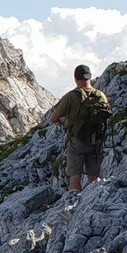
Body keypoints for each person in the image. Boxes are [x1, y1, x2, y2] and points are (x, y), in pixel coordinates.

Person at [48, 63, 112, 191]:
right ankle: (95, 200)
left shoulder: (71, 96)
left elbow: (53, 119)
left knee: (75, 177)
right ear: (90, 78)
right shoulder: (101, 96)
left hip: (77, 141)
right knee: (94, 177)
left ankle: (74, 205)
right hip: (96, 141)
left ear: (75, 78)